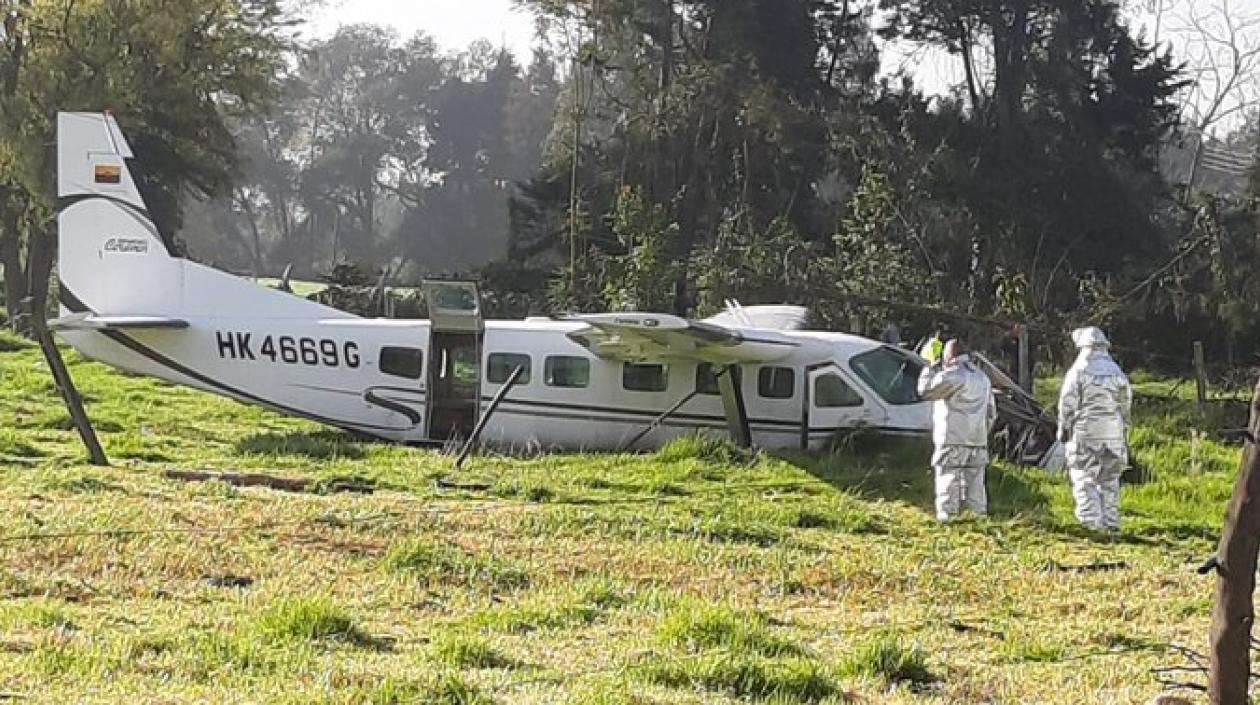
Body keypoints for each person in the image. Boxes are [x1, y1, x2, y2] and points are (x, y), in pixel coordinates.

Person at [1058, 326, 1131, 533]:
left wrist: (1063, 427)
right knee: (1109, 479)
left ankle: (1091, 523)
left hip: (1085, 433)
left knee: (1084, 476)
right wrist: (1124, 429)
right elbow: (1125, 405)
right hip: (1113, 434)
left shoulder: (1079, 371)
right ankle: (1111, 522)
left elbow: (1067, 403)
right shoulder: (1116, 372)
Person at [917, 339, 996, 521]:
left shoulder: (954, 375)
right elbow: (991, 412)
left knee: (948, 476)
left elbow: (926, 391)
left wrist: (929, 367)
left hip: (952, 436)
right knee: (976, 482)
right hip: (978, 438)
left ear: (949, 354)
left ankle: (948, 517)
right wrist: (984, 432)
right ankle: (979, 516)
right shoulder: (982, 378)